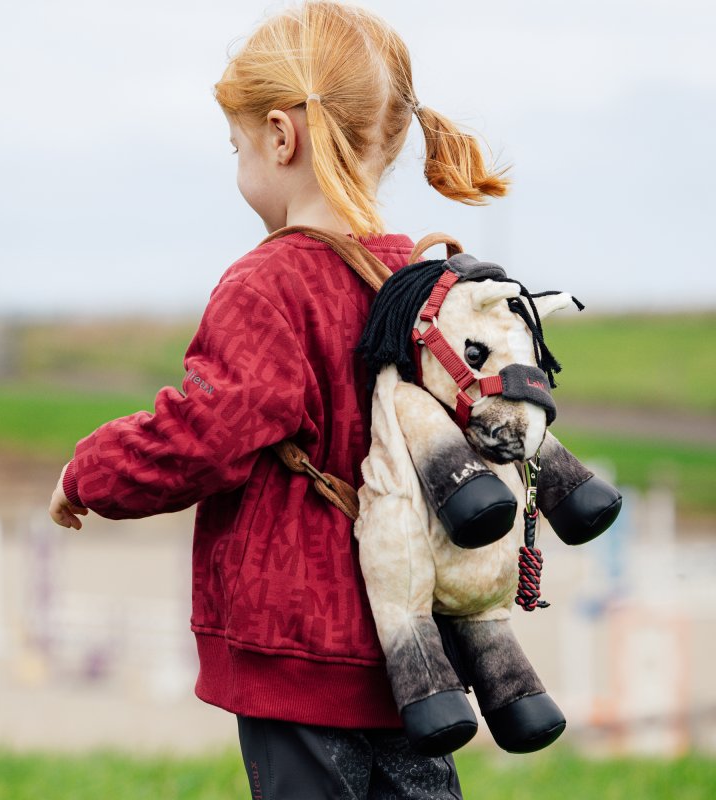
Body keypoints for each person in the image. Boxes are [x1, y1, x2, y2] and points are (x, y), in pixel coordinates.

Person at [49, 2, 508, 797]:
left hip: (301, 648)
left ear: (280, 136)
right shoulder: (420, 283)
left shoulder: (268, 284)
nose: (238, 166)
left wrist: (89, 471)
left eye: (236, 146)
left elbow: (208, 432)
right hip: (414, 648)